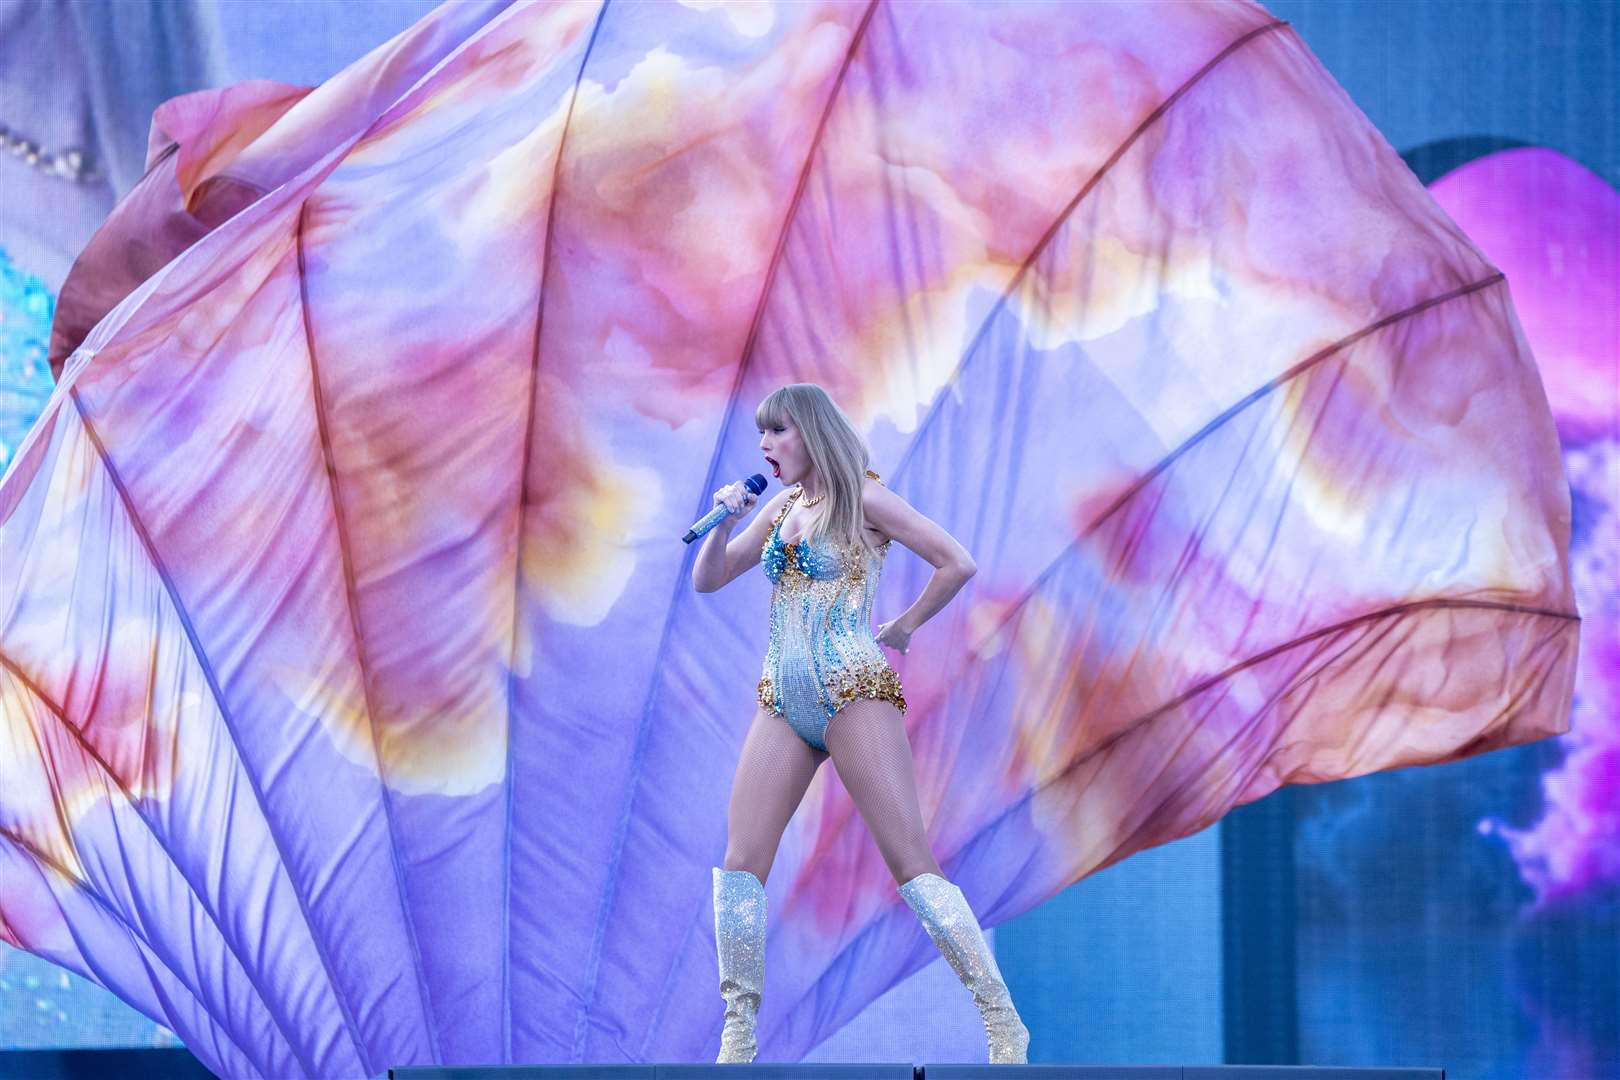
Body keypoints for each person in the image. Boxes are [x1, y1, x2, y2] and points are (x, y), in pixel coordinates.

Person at [690, 382, 1030, 1064]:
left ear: (811, 435)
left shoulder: (865, 499)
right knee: (740, 864)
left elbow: (955, 561)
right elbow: (711, 577)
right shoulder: (783, 505)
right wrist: (724, 518)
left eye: (778, 432)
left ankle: (1000, 1019)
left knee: (909, 861)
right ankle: (739, 1032)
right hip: (783, 701)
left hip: (851, 689)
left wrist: (905, 626)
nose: (765, 445)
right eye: (762, 434)